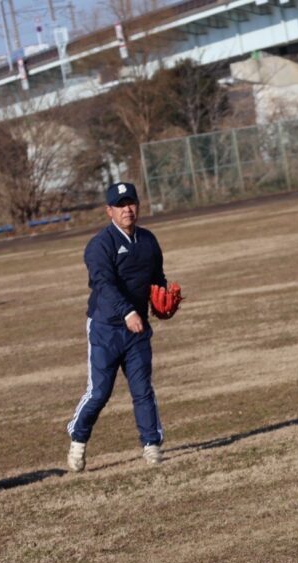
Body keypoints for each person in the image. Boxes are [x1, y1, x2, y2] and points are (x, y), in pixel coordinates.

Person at [66, 182, 175, 472]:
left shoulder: (148, 241)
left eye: (131, 203)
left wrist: (160, 299)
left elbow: (157, 277)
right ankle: (78, 437)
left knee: (142, 390)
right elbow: (104, 284)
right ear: (109, 211)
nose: (127, 209)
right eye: (120, 204)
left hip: (137, 330)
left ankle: (151, 446)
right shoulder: (100, 245)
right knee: (100, 393)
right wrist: (127, 312)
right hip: (105, 328)